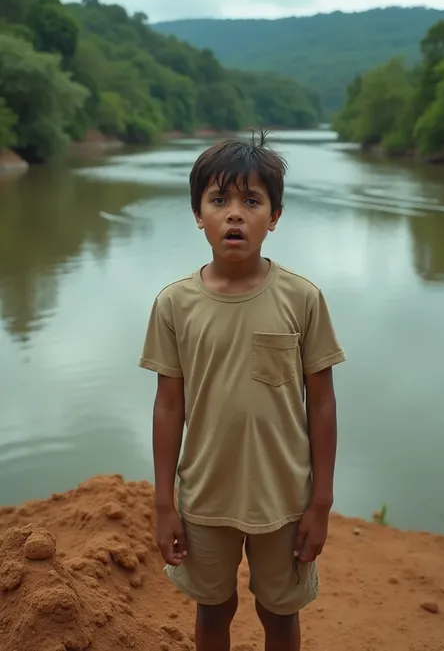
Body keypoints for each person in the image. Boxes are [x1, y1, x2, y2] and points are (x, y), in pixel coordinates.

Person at [139, 130, 346, 651]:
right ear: (198, 213)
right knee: (214, 609)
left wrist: (320, 501)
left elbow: (321, 402)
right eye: (219, 199)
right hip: (205, 497)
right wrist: (165, 504)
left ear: (274, 216)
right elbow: (168, 407)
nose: (235, 214)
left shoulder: (302, 298)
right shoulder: (174, 305)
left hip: (284, 498)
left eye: (251, 201)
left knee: (280, 613)